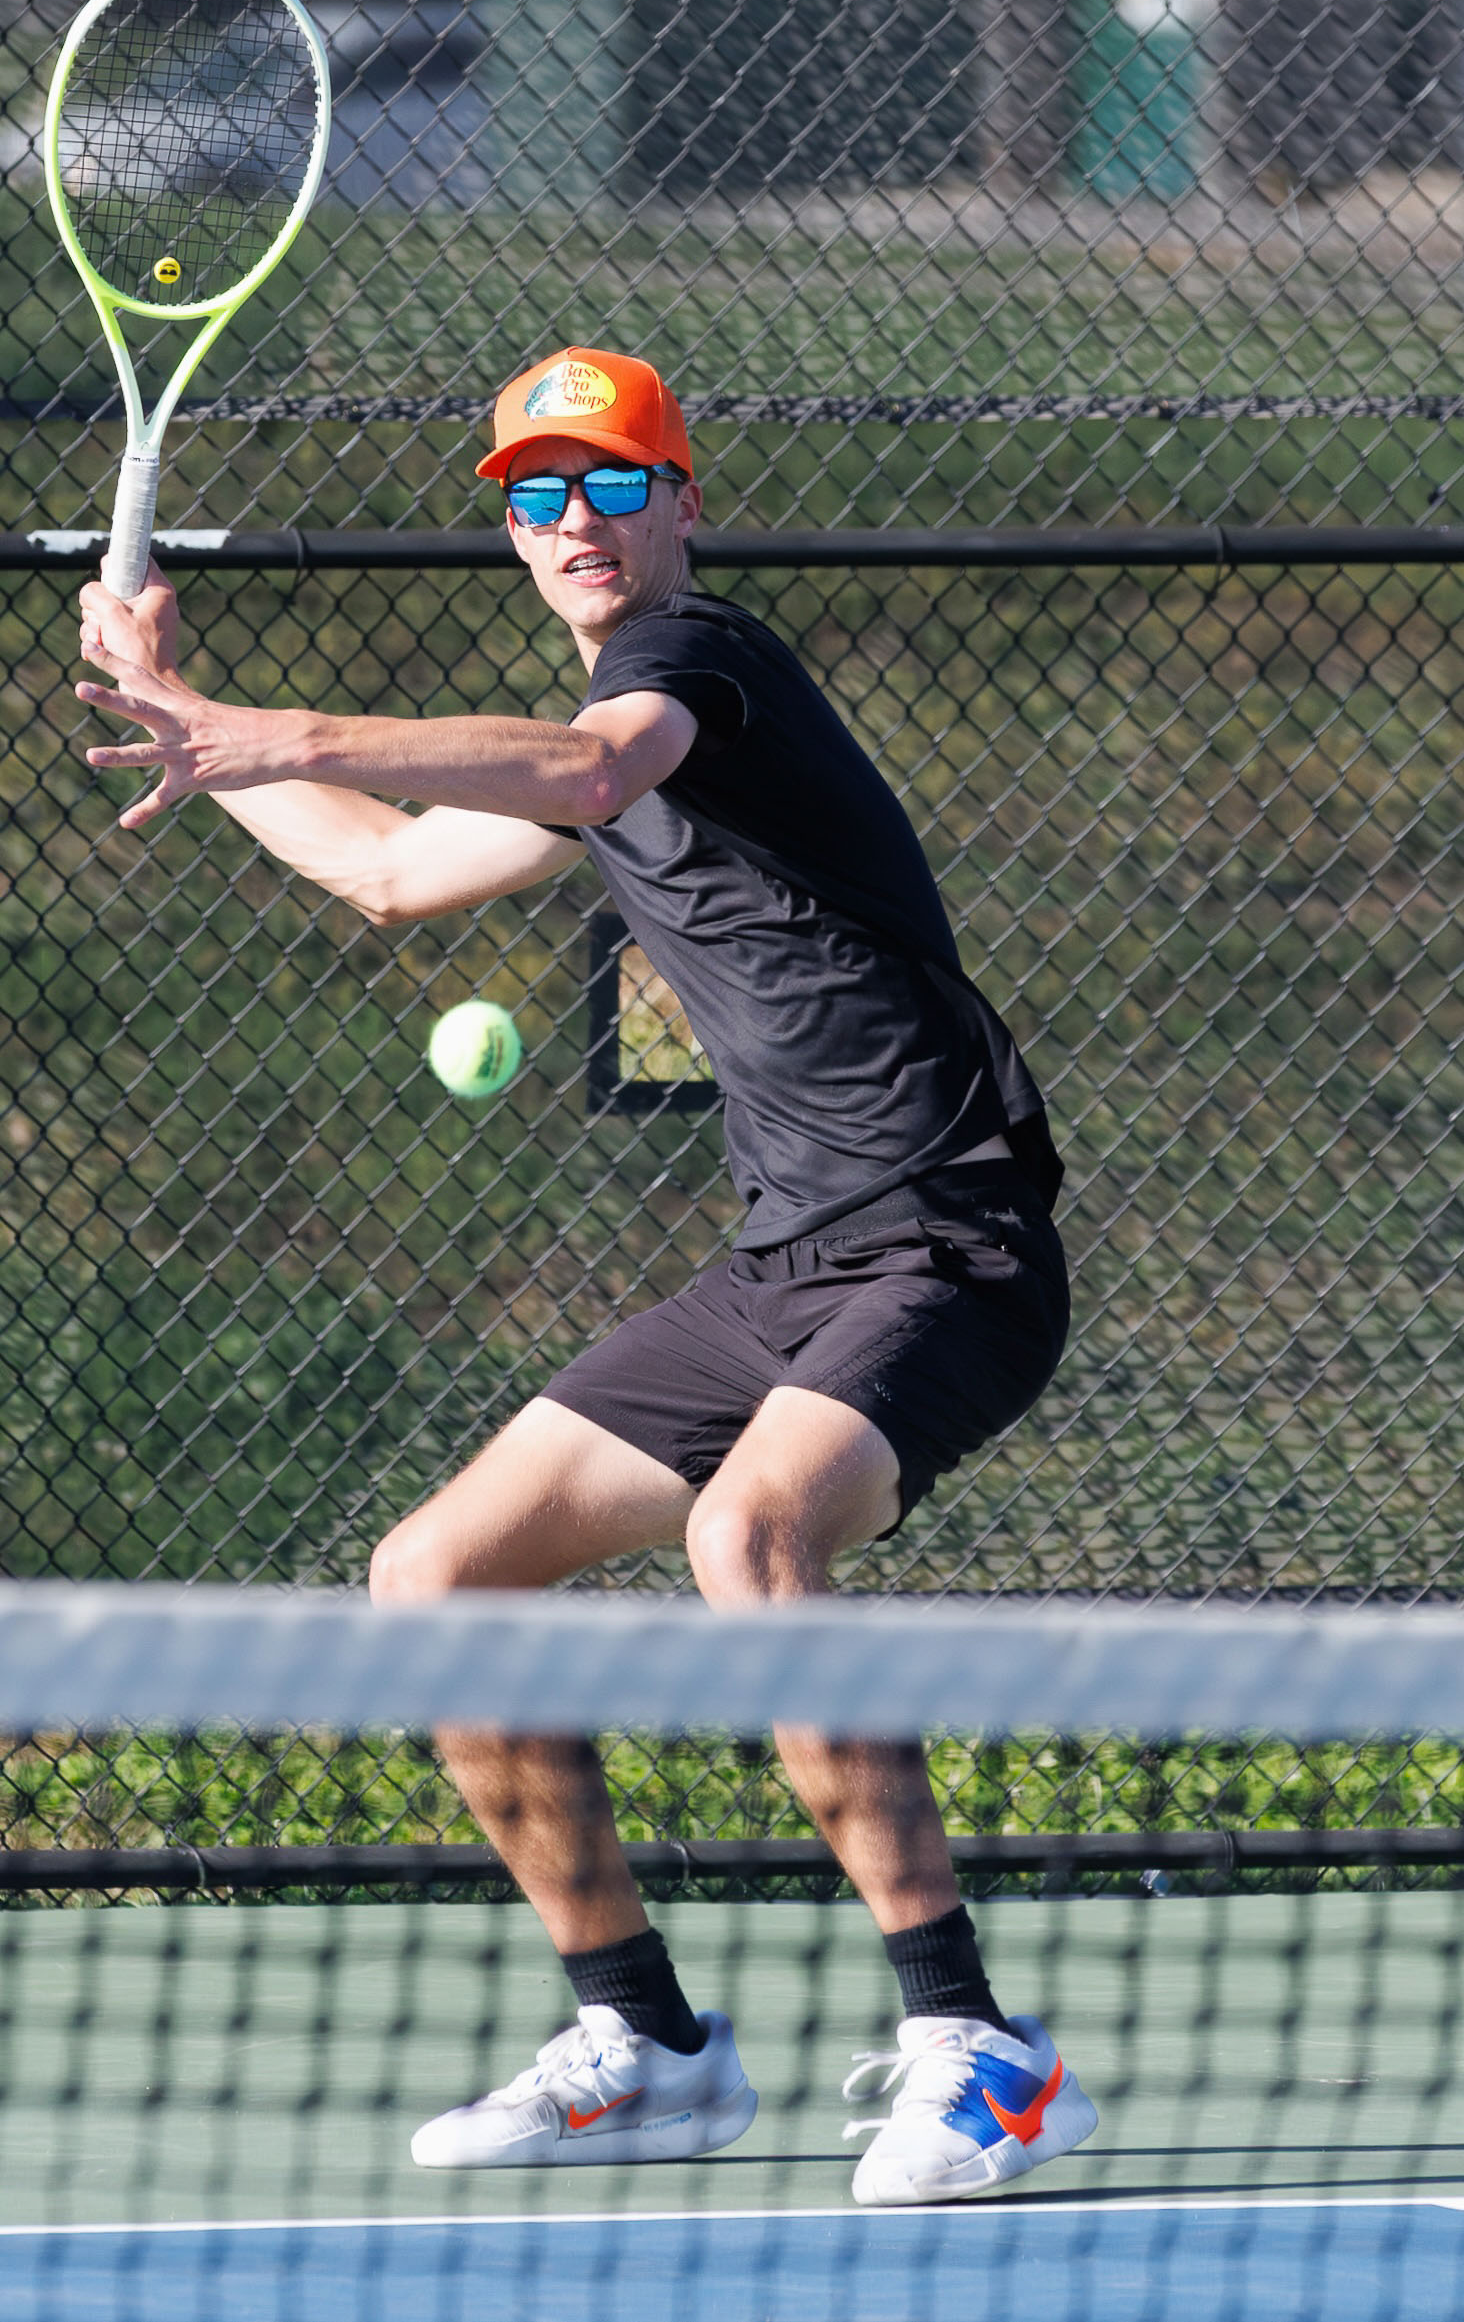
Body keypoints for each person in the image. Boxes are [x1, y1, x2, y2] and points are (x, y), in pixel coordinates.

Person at [74, 344, 1096, 2205]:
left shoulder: (701, 665)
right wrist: (179, 719)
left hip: (949, 1239)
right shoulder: (598, 734)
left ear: (684, 501)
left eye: (615, 481)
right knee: (437, 1575)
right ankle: (647, 2041)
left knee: (748, 1532)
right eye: (539, 494)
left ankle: (979, 2045)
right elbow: (388, 871)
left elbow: (588, 761)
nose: (577, 520)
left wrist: (270, 721)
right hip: (783, 1263)